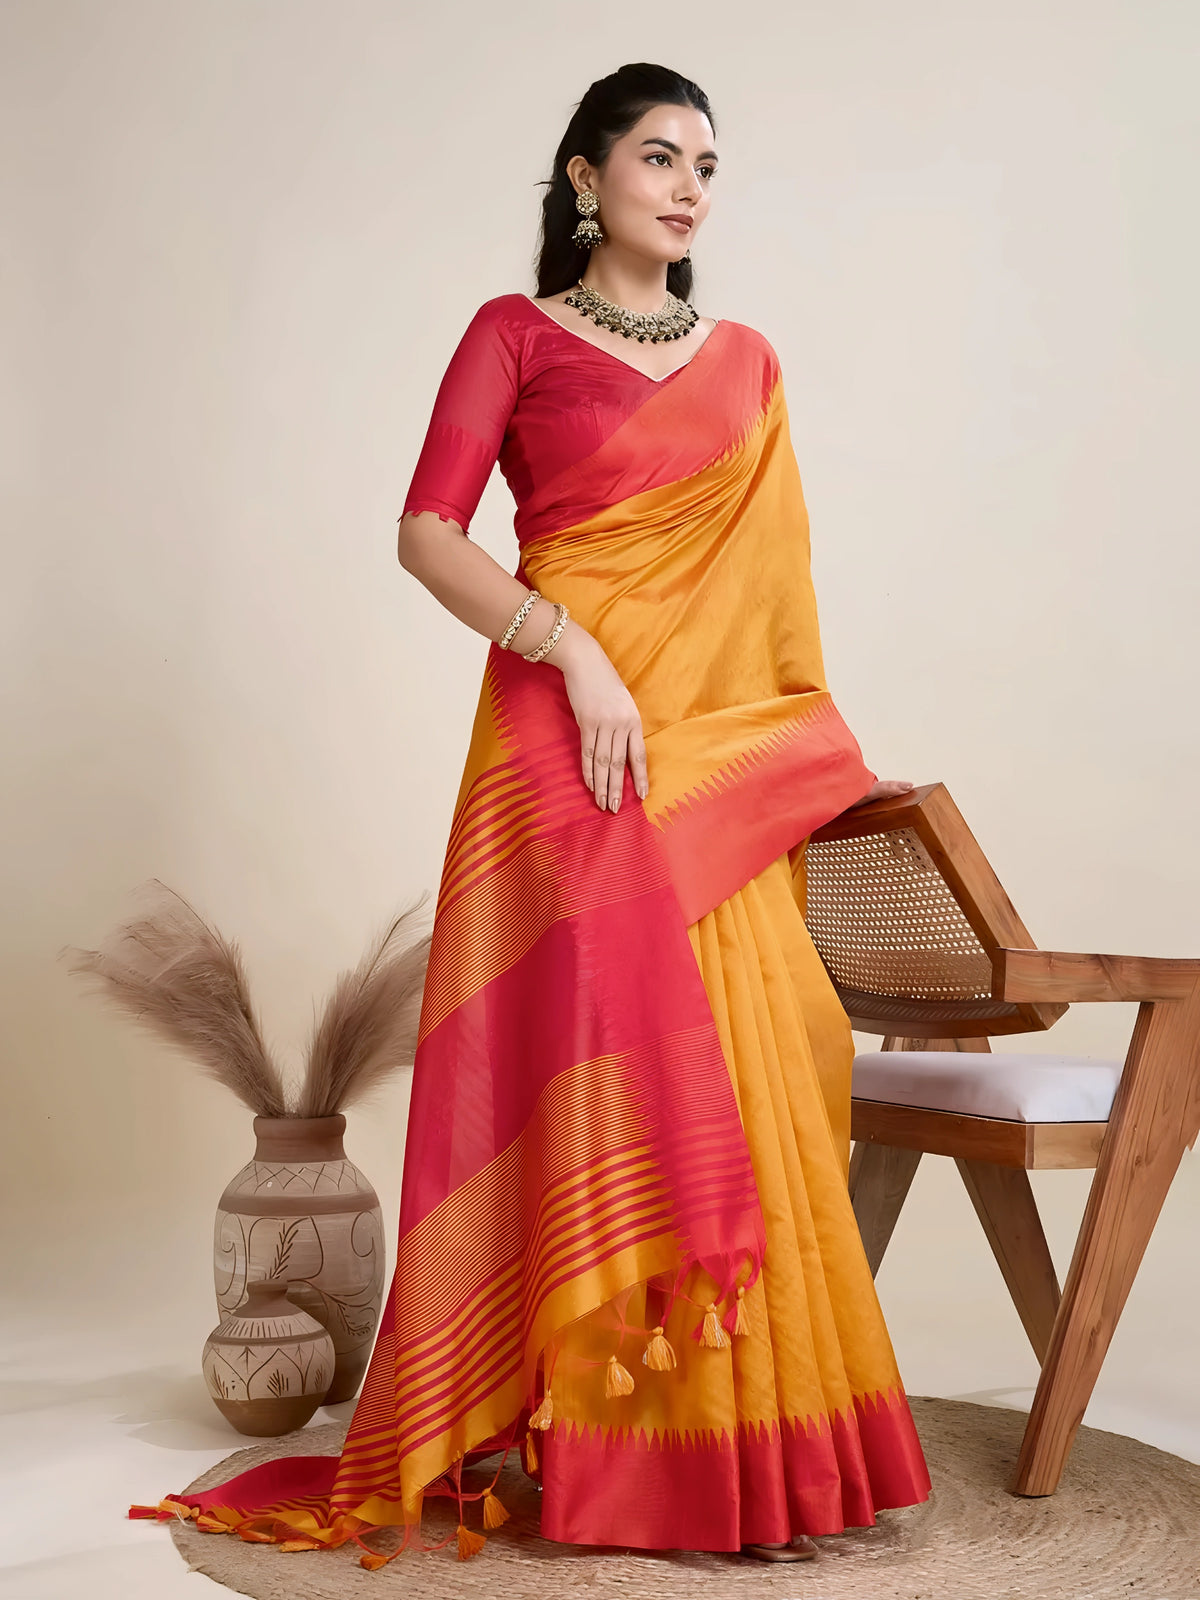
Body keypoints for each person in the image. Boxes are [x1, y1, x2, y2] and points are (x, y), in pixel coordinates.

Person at [137, 61, 931, 1568]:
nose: (687, 184)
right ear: (583, 180)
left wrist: (769, 764)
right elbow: (426, 530)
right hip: (565, 748)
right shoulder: (513, 336)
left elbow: (771, 623)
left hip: (705, 769)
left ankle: (737, 1455)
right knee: (586, 1068)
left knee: (750, 1068)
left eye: (706, 161)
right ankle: (598, 1454)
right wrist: (569, 649)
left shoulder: (750, 368)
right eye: (654, 155)